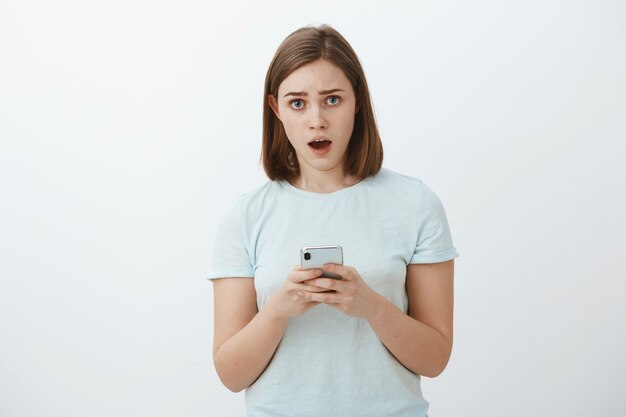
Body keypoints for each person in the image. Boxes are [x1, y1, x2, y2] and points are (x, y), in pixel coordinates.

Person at [208, 23, 460, 417]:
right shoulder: (245, 216)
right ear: (275, 109)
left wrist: (370, 305)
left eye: (332, 99)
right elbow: (230, 374)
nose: (317, 120)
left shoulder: (416, 204)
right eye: (297, 103)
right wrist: (279, 308)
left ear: (357, 101)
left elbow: (435, 359)